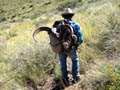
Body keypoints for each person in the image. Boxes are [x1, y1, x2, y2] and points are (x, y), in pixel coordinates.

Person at [53, 8, 83, 86]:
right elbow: (80, 39)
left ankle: (65, 80)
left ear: (63, 16)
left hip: (60, 48)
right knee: (74, 60)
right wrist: (76, 46)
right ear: (71, 15)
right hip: (71, 48)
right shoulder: (75, 24)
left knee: (63, 63)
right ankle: (76, 78)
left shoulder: (58, 25)